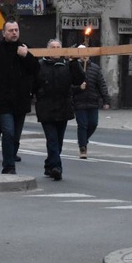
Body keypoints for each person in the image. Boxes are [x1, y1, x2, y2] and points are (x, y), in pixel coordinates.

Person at [0, 20, 40, 174]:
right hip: (3, 100)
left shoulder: (25, 49)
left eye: (16, 30)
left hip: (22, 100)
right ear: (4, 32)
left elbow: (37, 70)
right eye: (11, 30)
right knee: (8, 132)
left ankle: (11, 157)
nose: (14, 33)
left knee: (16, 136)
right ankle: (8, 166)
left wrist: (26, 56)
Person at [35, 39, 85, 180]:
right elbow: (33, 84)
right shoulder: (40, 66)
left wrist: (75, 62)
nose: (56, 49)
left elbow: (79, 79)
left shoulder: (67, 65)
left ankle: (49, 164)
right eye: (53, 47)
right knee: (52, 139)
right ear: (47, 50)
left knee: (59, 141)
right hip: (46, 108)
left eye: (58, 47)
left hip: (63, 108)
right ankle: (57, 167)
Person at [72, 45, 111, 159]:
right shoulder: (74, 67)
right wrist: (79, 87)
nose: (84, 55)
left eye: (86, 52)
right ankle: (82, 147)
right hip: (79, 102)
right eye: (82, 52)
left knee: (93, 124)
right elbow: (70, 85)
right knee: (83, 125)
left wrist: (106, 100)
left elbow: (101, 85)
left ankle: (83, 139)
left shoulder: (95, 68)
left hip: (93, 101)